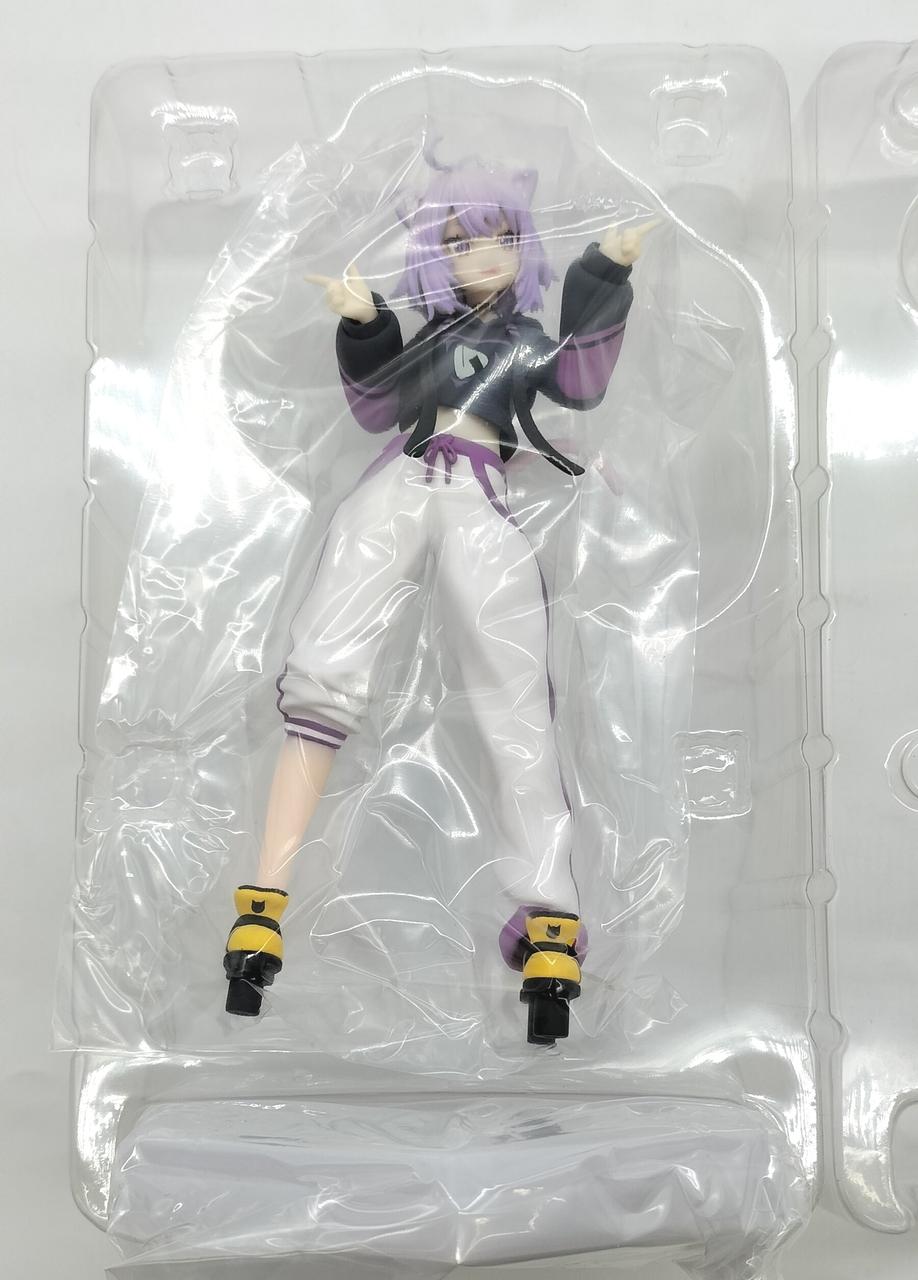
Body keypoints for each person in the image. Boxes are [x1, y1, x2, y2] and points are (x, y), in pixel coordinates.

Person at [224, 155, 655, 1045]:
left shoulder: (524, 341)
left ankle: (550, 919)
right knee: (323, 671)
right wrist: (365, 321)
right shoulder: (425, 337)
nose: (480, 255)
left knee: (513, 697)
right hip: (400, 482)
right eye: (457, 241)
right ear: (433, 254)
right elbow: (377, 408)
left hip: (479, 495)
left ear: (523, 246)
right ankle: (262, 905)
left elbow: (578, 383)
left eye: (499, 237)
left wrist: (604, 270)